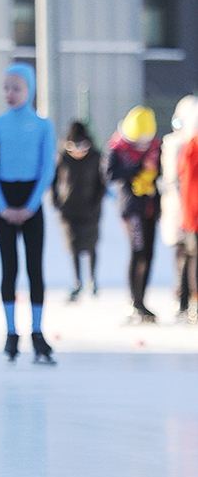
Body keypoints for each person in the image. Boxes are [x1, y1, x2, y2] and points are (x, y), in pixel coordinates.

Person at [0, 62, 57, 365]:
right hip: (5, 198)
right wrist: (2, 205)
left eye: (16, 88)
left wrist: (32, 204)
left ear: (30, 90)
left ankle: (37, 332)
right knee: (9, 268)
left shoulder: (43, 126)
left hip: (31, 201)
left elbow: (48, 168)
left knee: (35, 269)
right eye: (6, 88)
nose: (10, 94)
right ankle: (11, 332)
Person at [103, 106, 162, 323]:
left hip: (150, 205)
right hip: (131, 207)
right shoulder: (117, 148)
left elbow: (162, 170)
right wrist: (137, 168)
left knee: (148, 253)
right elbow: (109, 174)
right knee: (137, 251)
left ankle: (142, 300)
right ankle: (134, 301)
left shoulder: (156, 146)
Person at [51, 121, 105, 301]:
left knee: (91, 245)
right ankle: (77, 282)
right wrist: (56, 200)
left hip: (90, 209)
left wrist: (96, 203)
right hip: (69, 209)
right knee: (73, 246)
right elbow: (54, 179)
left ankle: (92, 280)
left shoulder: (95, 156)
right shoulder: (63, 157)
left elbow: (101, 183)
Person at [159, 96, 198, 323]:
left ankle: (185, 300)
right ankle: (185, 299)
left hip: (186, 212)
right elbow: (175, 181)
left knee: (187, 255)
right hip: (187, 212)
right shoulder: (182, 146)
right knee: (187, 255)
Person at [176, 103, 198, 323]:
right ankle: (189, 301)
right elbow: (189, 186)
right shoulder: (192, 148)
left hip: (191, 214)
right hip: (194, 215)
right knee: (192, 258)